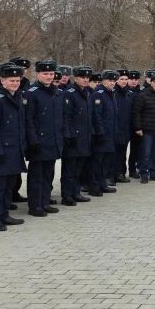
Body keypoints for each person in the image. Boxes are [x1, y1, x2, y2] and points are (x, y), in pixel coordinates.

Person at [0, 63, 27, 231]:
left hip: (14, 150)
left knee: (9, 185)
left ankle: (4, 214)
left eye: (17, 80)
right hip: (0, 152)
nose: (15, 83)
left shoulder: (17, 97)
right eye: (11, 80)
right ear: (2, 80)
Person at [24, 60, 64, 216]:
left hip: (53, 140)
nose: (49, 76)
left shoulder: (57, 92)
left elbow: (59, 118)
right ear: (38, 74)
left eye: (51, 73)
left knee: (48, 174)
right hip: (38, 142)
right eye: (45, 73)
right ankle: (35, 206)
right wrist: (33, 141)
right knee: (36, 176)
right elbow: (29, 119)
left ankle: (45, 202)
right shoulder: (31, 92)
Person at [61, 66, 93, 206]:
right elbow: (66, 117)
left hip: (84, 137)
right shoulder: (70, 93)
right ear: (75, 78)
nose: (85, 80)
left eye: (87, 77)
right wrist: (69, 135)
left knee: (79, 168)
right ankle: (67, 195)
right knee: (69, 169)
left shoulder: (87, 92)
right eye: (82, 77)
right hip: (73, 138)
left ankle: (76, 192)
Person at [112, 69, 133, 184]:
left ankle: (120, 173)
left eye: (126, 79)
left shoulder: (129, 93)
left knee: (122, 153)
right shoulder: (113, 92)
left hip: (126, 128)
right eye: (121, 79)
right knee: (113, 153)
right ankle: (111, 175)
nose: (124, 81)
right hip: (115, 127)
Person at [126, 70, 143, 178]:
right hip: (125, 125)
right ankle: (120, 171)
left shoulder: (141, 92)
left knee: (135, 149)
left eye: (135, 79)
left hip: (137, 125)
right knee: (122, 150)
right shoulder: (123, 91)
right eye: (131, 79)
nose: (133, 81)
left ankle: (132, 170)